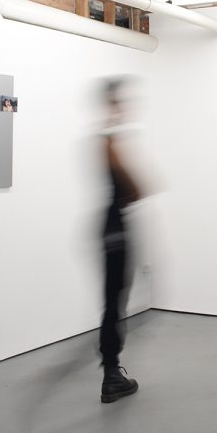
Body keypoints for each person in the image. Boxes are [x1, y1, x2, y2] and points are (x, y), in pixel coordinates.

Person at [98, 78, 143, 403]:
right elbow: (135, 188)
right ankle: (111, 375)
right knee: (114, 303)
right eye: (120, 102)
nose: (124, 108)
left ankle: (111, 369)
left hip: (111, 228)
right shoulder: (108, 143)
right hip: (115, 231)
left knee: (114, 302)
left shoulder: (109, 142)